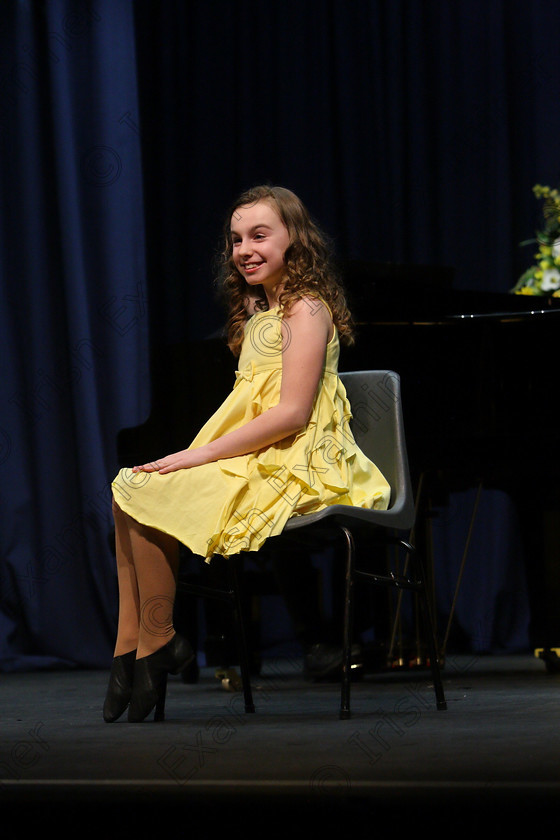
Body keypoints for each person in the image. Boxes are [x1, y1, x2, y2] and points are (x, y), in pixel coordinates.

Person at [105, 185, 390, 723]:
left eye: (260, 235)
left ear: (294, 242)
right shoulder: (259, 314)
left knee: (143, 489)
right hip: (260, 452)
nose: (244, 248)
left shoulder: (306, 309)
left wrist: (200, 455)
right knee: (131, 488)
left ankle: (151, 641)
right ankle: (135, 641)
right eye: (236, 239)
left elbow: (290, 414)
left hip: (299, 459)